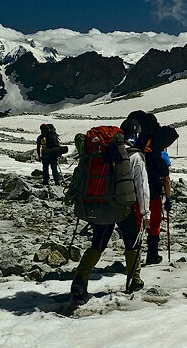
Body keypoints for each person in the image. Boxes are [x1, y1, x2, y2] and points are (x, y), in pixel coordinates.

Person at [70, 117, 151, 303]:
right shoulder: (135, 156)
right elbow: (142, 187)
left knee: (98, 243)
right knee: (132, 242)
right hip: (124, 207)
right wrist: (146, 214)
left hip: (100, 205)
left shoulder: (103, 151)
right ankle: (134, 280)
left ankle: (80, 281)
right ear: (136, 134)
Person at [145, 147, 173, 265]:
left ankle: (132, 255)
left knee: (135, 226)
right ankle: (152, 255)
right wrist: (168, 199)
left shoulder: (137, 151)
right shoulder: (161, 155)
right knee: (154, 224)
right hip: (153, 196)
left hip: (135, 194)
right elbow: (166, 178)